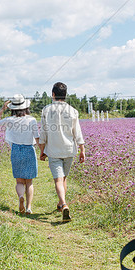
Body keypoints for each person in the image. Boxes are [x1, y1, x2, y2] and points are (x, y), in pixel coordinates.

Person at [39, 82, 85, 221]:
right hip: (69, 149)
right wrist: (82, 149)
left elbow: (43, 133)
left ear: (53, 94)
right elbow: (77, 132)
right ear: (65, 95)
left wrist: (42, 150)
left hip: (54, 151)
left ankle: (64, 204)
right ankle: (60, 204)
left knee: (58, 180)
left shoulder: (46, 110)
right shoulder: (73, 111)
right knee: (64, 178)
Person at [0, 94, 40, 215]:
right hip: (29, 150)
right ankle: (29, 207)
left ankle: (21, 196)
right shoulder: (32, 120)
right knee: (29, 182)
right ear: (25, 107)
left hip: (16, 150)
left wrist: (2, 109)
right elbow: (37, 137)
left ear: (13, 108)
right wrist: (42, 151)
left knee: (19, 181)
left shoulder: (9, 120)